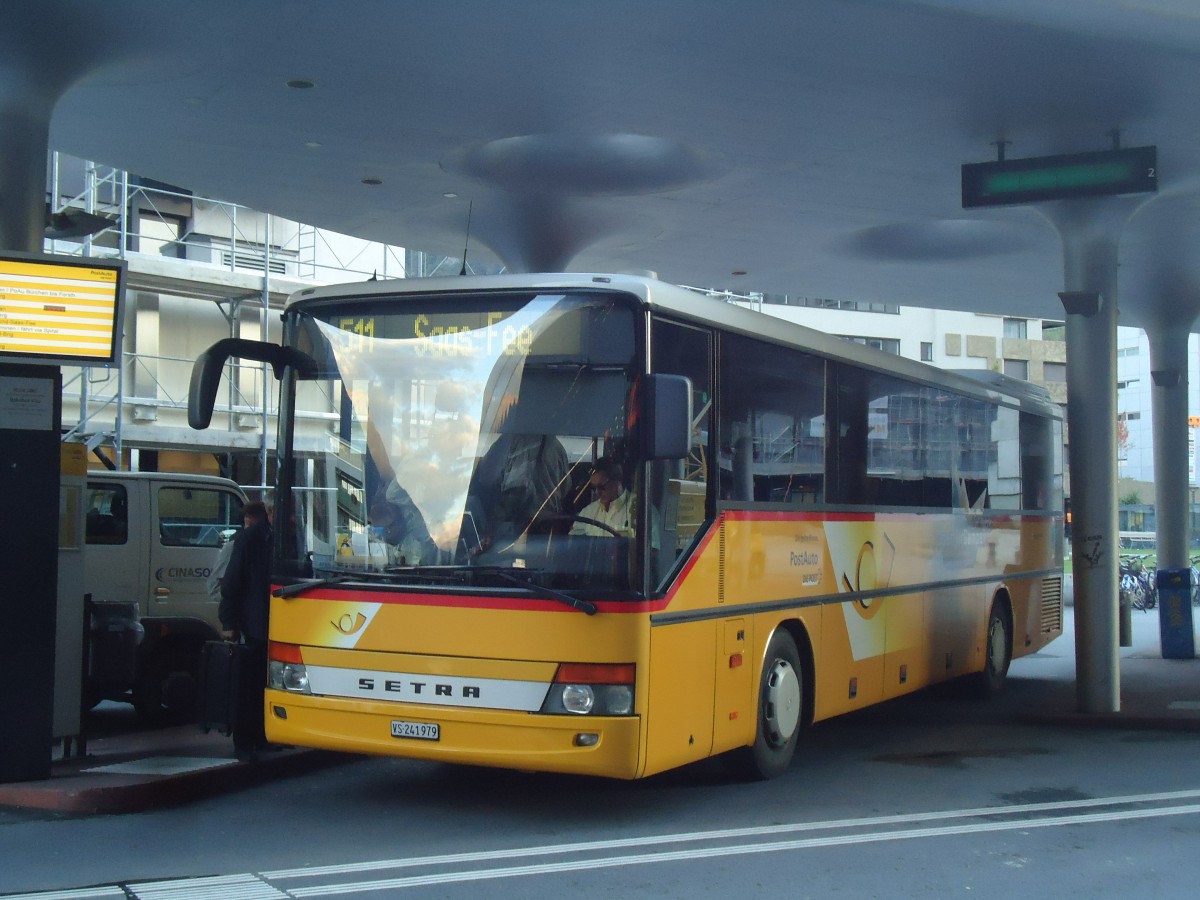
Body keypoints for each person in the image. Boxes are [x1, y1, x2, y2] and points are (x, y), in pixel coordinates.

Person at [218, 500, 273, 760]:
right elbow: (232, 582)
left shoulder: (278, 537)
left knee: (264, 682)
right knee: (248, 685)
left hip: (272, 621)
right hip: (254, 622)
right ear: (272, 511)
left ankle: (262, 737)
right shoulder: (249, 539)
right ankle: (244, 742)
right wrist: (228, 623)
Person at [570, 457, 633, 536]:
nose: (597, 492)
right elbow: (573, 542)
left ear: (617, 481)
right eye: (593, 488)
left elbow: (652, 545)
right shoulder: (588, 512)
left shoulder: (640, 511)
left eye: (601, 487)